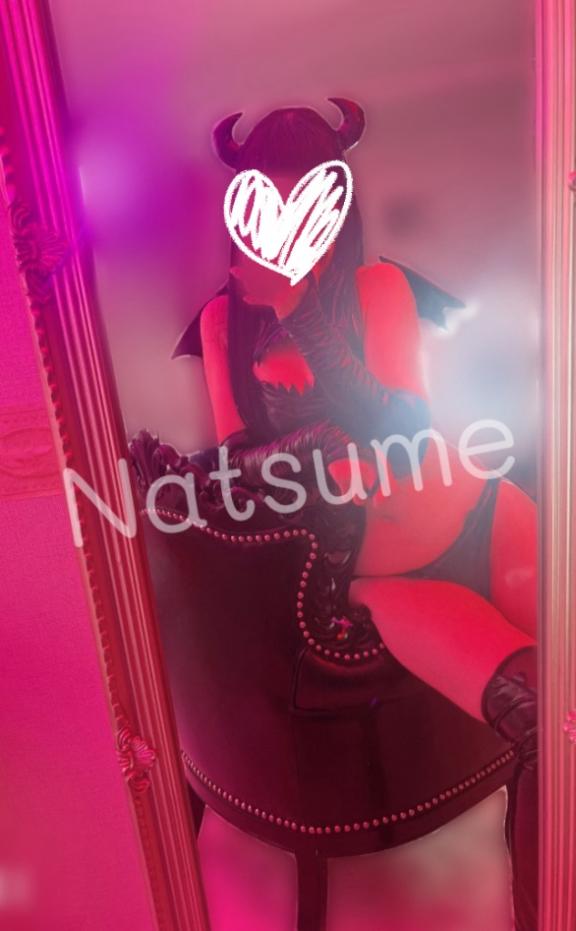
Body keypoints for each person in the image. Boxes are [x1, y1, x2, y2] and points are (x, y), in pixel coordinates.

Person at [171, 100, 537, 931]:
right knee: (496, 672)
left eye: (308, 201)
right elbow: (234, 461)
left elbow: (404, 425)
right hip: (361, 554)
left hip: (466, 504)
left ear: (337, 206)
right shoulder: (224, 320)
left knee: (556, 673)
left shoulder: (380, 288)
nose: (291, 226)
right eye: (271, 201)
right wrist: (313, 441)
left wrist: (303, 318)